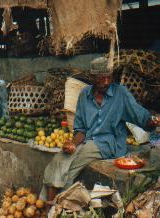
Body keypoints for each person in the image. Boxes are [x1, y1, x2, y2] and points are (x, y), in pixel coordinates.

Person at [40, 57, 160, 202]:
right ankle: (48, 206)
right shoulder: (85, 94)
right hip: (88, 140)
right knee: (59, 159)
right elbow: (81, 129)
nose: (106, 82)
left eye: (109, 78)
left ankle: (60, 204)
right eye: (101, 79)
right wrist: (73, 143)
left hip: (110, 143)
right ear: (92, 78)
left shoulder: (120, 93)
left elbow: (140, 116)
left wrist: (152, 121)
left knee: (74, 163)